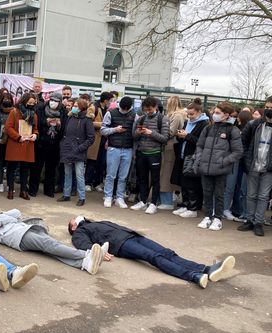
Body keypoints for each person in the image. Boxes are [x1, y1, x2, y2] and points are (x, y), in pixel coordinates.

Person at [67, 216, 237, 289]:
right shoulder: (80, 232)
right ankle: (193, 276)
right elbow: (82, 243)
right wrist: (97, 252)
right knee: (153, 257)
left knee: (166, 252)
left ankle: (206, 269)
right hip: (121, 244)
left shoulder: (95, 222)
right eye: (72, 220)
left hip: (131, 236)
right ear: (73, 227)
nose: (75, 218)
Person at [0, 209, 104, 274]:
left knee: (52, 247)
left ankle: (84, 263)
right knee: (50, 245)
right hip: (17, 236)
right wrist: (4, 217)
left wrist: (3, 215)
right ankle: (86, 254)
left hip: (24, 229)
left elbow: (16, 212)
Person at [195, 102, 243, 231]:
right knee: (207, 193)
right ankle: (207, 216)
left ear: (226, 115)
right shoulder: (208, 128)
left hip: (221, 169)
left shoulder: (232, 130)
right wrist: (200, 158)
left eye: (217, 113)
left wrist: (223, 162)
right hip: (205, 167)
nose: (214, 115)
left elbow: (238, 152)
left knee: (219, 194)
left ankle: (217, 219)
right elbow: (199, 145)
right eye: (214, 112)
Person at [237, 96, 272, 236]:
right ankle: (249, 220)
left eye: (271, 108)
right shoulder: (253, 124)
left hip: (268, 169)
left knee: (263, 196)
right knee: (250, 194)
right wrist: (246, 160)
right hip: (253, 165)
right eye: (267, 107)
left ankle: (258, 222)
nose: (268, 110)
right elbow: (243, 143)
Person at [130, 96, 170, 215]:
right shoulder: (141, 119)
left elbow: (165, 138)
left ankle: (153, 203)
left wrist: (151, 133)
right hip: (141, 152)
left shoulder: (163, 119)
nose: (148, 112)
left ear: (156, 107)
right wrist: (138, 132)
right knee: (142, 178)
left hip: (155, 153)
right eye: (145, 110)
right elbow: (134, 136)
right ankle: (143, 201)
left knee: (155, 179)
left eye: (150, 109)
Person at [171, 99, 209, 218]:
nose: (190, 116)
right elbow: (185, 136)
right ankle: (185, 204)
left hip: (194, 157)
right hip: (183, 155)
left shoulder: (204, 124)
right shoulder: (188, 122)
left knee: (191, 184)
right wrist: (181, 135)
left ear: (199, 112)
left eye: (192, 114)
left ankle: (193, 208)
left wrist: (187, 136)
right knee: (183, 182)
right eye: (188, 114)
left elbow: (201, 142)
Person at [101, 96, 136, 208]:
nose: (125, 111)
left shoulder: (135, 115)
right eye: (123, 108)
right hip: (113, 147)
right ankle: (108, 196)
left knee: (123, 176)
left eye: (127, 109)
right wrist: (115, 129)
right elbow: (103, 130)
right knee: (111, 174)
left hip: (128, 148)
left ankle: (120, 197)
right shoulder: (110, 113)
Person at [58, 98, 94, 206]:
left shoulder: (87, 120)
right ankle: (66, 194)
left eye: (76, 106)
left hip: (79, 151)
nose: (73, 107)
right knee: (67, 173)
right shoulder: (70, 117)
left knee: (79, 175)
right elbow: (65, 133)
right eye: (73, 105)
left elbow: (91, 138)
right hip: (67, 149)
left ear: (82, 108)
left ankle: (82, 197)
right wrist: (63, 144)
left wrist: (81, 148)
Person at [4, 92, 39, 200]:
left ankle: (23, 190)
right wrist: (18, 137)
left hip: (28, 144)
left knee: (25, 169)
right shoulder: (14, 112)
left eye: (33, 103)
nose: (31, 104)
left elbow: (35, 129)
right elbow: (8, 127)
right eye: (29, 102)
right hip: (15, 143)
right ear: (24, 101)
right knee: (12, 168)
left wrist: (35, 135)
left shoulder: (34, 115)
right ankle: (10, 189)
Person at [29, 92, 62, 198]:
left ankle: (49, 190)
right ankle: (33, 189)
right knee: (36, 168)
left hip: (54, 145)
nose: (53, 103)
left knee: (51, 169)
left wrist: (59, 124)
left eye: (56, 101)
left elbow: (65, 127)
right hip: (41, 143)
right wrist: (45, 122)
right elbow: (36, 124)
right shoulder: (41, 110)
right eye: (52, 100)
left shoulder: (63, 112)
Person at [159, 96, 186, 210]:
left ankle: (167, 201)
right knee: (165, 174)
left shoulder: (177, 116)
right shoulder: (177, 115)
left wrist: (157, 132)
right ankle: (165, 200)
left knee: (166, 174)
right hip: (169, 146)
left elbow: (170, 132)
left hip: (170, 147)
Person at [85, 92, 113, 192]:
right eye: (110, 100)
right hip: (95, 139)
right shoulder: (94, 107)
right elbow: (88, 122)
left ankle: (97, 183)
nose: (111, 102)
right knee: (92, 161)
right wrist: (103, 125)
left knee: (101, 163)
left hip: (104, 139)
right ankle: (87, 182)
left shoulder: (108, 110)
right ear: (105, 100)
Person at [0, 91, 15, 193]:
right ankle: (0, 183)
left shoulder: (14, 111)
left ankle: (9, 184)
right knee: (0, 162)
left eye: (8, 99)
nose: (6, 101)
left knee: (9, 164)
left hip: (11, 140)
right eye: (4, 99)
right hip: (0, 140)